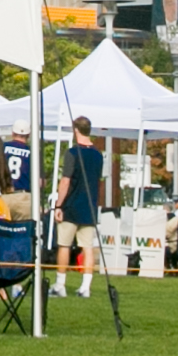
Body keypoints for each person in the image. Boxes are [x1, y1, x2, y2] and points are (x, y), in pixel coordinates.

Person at [62, 117, 106, 295]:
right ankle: (86, 287)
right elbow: (99, 180)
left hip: (71, 205)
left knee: (64, 245)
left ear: (76, 130)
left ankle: (60, 284)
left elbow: (65, 181)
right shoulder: (98, 154)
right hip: (89, 206)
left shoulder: (72, 153)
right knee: (87, 247)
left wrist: (58, 205)